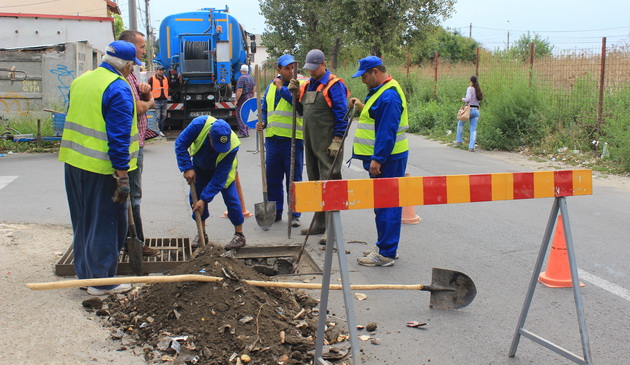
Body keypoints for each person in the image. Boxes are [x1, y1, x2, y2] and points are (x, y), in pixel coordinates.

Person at [59, 40, 141, 295]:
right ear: (127, 65)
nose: (132, 71)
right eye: (132, 66)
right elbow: (118, 137)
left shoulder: (82, 80)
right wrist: (122, 176)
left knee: (83, 221)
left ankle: (84, 276)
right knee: (105, 223)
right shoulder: (118, 88)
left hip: (74, 163)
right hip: (101, 168)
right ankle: (103, 281)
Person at [349, 56, 409, 267]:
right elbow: (377, 116)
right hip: (387, 158)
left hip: (388, 159)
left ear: (375, 72)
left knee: (388, 205)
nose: (363, 81)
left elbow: (387, 131)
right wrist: (361, 106)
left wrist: (378, 159)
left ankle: (386, 253)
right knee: (382, 204)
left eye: (365, 76)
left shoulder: (389, 96)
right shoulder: (382, 91)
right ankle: (384, 245)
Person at [289, 49, 349, 243]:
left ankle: (333, 227)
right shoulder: (307, 86)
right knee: (315, 181)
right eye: (309, 69)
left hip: (328, 143)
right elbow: (301, 111)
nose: (312, 72)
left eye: (315, 68)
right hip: (311, 143)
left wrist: (338, 139)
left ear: (324, 65)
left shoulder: (334, 85)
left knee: (330, 181)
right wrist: (294, 94)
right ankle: (320, 222)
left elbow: (342, 114)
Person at [175, 117, 246, 251]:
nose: (220, 150)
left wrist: (204, 199)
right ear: (209, 136)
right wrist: (187, 167)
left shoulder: (233, 145)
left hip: (223, 170)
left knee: (231, 198)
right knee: (195, 200)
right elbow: (180, 144)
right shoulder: (198, 125)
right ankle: (202, 234)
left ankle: (239, 235)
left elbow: (219, 178)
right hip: (200, 166)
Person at [118, 30, 159, 257]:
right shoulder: (121, 76)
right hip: (128, 148)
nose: (144, 50)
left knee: (133, 196)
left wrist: (146, 94)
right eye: (142, 46)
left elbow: (142, 101)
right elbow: (138, 108)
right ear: (129, 47)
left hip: (137, 144)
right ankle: (134, 242)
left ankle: (131, 240)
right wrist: (149, 101)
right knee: (132, 196)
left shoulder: (132, 74)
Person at [257, 54, 303, 227]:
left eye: (293, 68)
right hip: (272, 139)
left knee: (293, 179)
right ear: (279, 70)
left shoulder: (298, 86)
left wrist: (281, 89)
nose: (291, 71)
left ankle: (295, 214)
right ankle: (276, 212)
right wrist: (262, 122)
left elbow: (297, 105)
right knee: (273, 179)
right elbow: (265, 107)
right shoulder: (270, 87)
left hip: (292, 140)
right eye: (287, 68)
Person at [454, 75, 483, 152]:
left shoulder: (470, 89)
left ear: (471, 81)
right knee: (473, 129)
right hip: (476, 110)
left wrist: (463, 99)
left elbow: (468, 99)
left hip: (468, 110)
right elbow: (479, 101)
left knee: (460, 123)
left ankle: (459, 141)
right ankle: (471, 146)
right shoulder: (478, 90)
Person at [235, 64, 255, 138]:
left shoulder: (241, 78)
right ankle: (247, 130)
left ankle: (243, 132)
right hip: (249, 96)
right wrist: (252, 97)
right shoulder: (251, 78)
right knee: (246, 114)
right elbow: (254, 89)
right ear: (247, 70)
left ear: (241, 70)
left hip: (243, 98)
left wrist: (236, 100)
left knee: (240, 114)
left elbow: (240, 90)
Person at [148, 65, 169, 135]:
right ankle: (157, 131)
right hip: (156, 100)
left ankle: (161, 130)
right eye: (160, 70)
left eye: (162, 70)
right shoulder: (152, 79)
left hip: (164, 100)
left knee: (163, 116)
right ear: (156, 71)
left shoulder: (166, 79)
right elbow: (148, 88)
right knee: (157, 116)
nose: (161, 71)